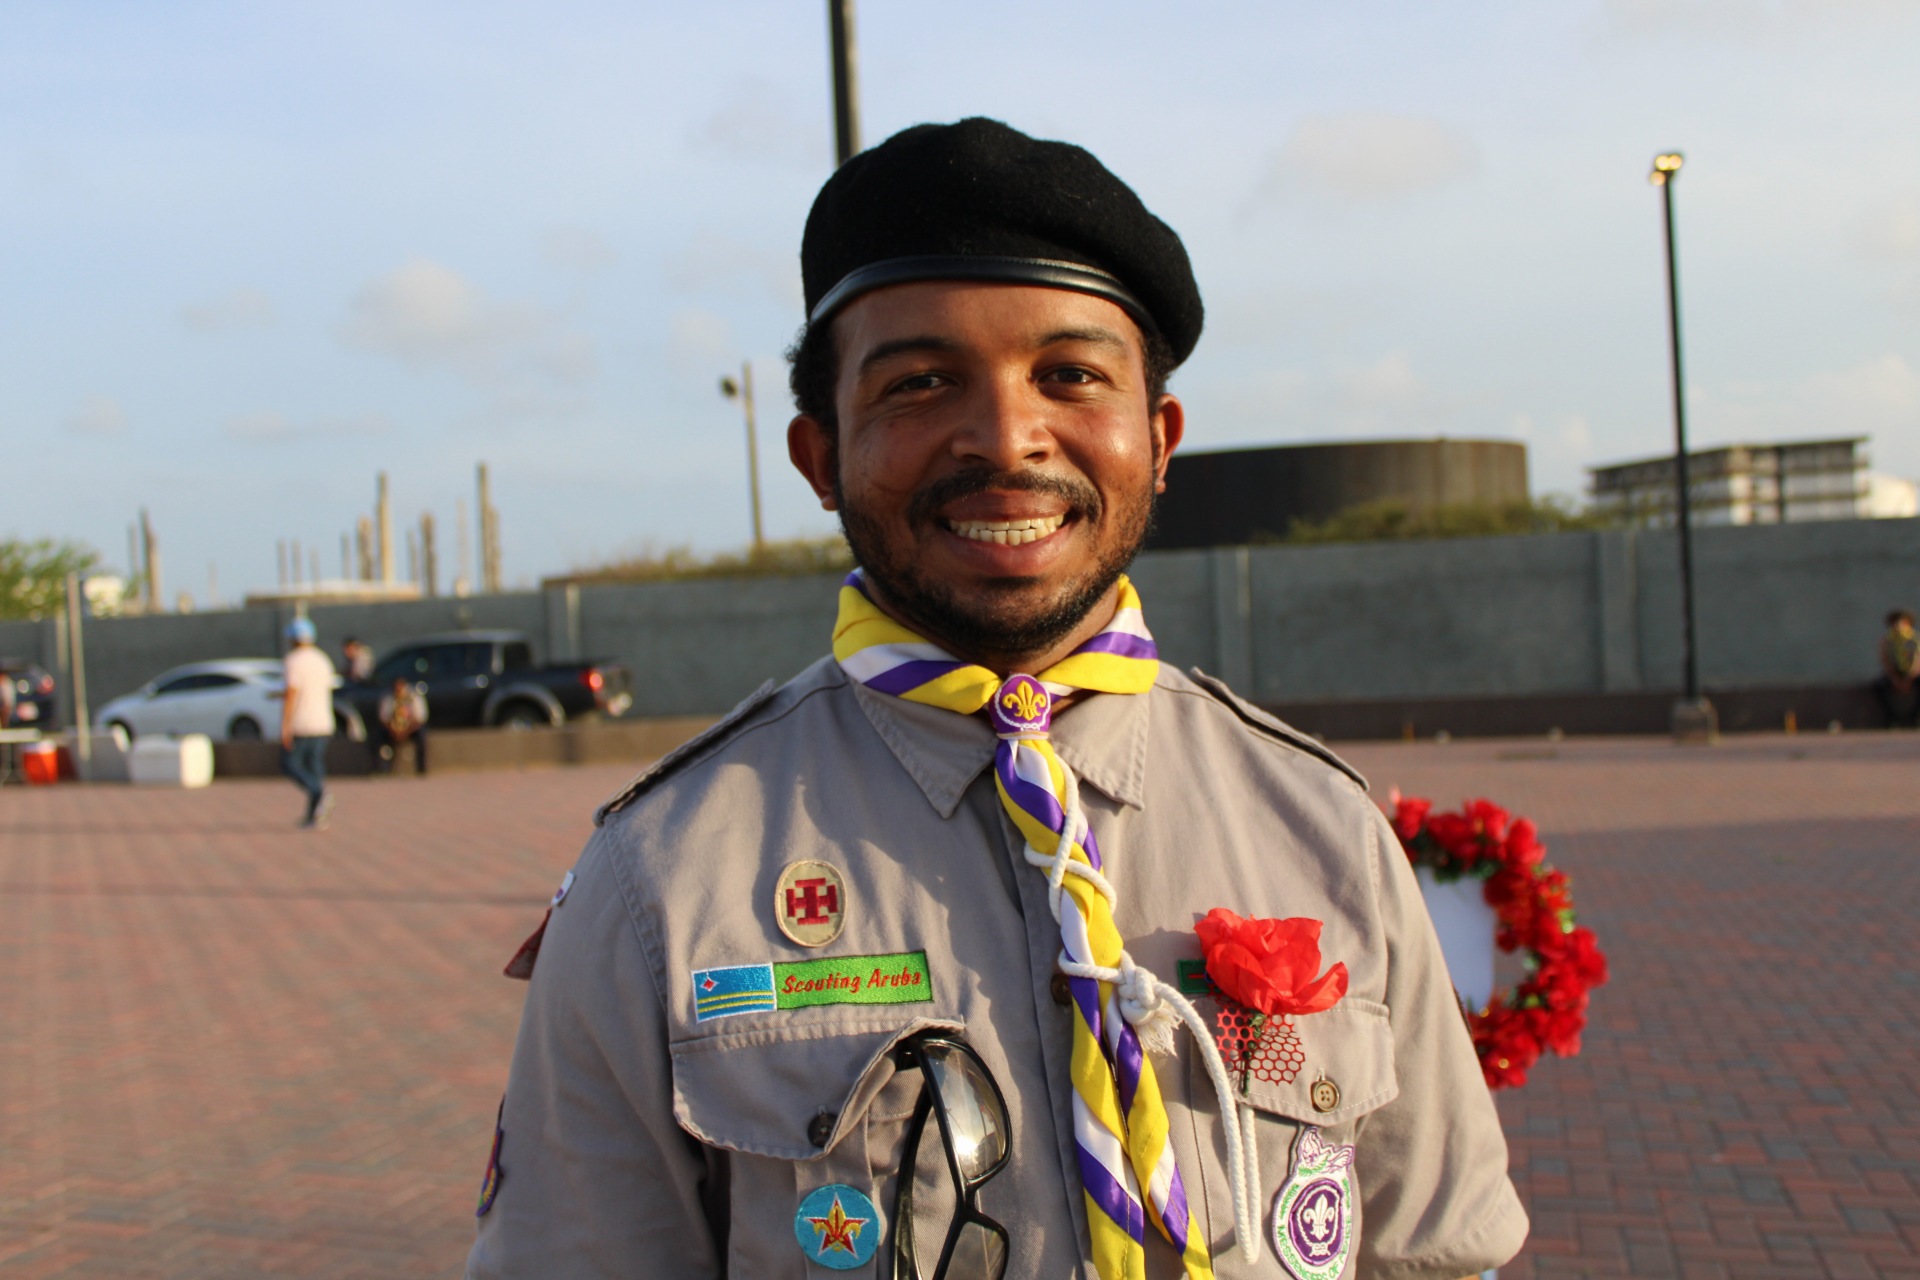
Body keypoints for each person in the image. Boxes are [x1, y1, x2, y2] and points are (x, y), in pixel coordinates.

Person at [469, 119, 1526, 1280]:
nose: (1007, 438)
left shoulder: (1323, 827)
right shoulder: (658, 880)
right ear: (820, 456)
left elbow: (1435, 1255)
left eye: (1070, 374)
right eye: (920, 383)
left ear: (1159, 439)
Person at [281, 617, 337, 829]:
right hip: (322, 722)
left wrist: (285, 725)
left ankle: (319, 793)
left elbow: (292, 693)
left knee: (289, 764)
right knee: (314, 766)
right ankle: (314, 815)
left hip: (302, 723)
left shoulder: (293, 661)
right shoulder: (322, 660)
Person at [1873, 609, 1919, 728]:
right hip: (1895, 674)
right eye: (1895, 623)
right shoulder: (1888, 641)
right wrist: (1895, 678)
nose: (1898, 627)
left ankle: (1914, 718)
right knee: (1880, 686)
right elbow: (1885, 660)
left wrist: (1909, 678)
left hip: (1912, 673)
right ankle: (1891, 718)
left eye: (1901, 623)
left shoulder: (1914, 639)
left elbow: (1918, 660)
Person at [377, 676, 429, 775]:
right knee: (379, 737)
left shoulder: (414, 697)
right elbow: (383, 718)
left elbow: (420, 718)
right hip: (392, 730)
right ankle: (383, 769)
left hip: (411, 729)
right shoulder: (388, 698)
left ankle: (422, 769)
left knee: (422, 736)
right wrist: (394, 730)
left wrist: (406, 731)